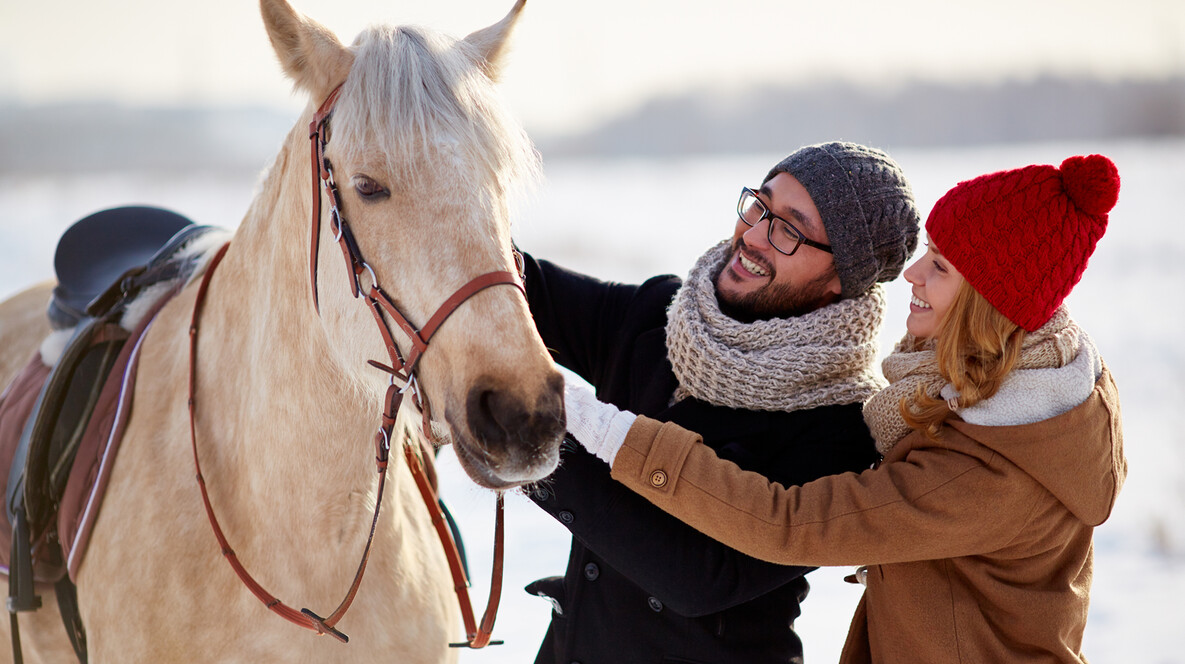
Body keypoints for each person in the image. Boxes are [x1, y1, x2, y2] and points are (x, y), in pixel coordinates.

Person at [562, 154, 1126, 663]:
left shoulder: (983, 473)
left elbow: (788, 524)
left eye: (942, 267)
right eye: (929, 252)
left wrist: (601, 432)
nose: (913, 274)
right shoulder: (984, 400)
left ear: (988, 304)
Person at [518, 141, 920, 664]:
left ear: (840, 280)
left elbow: (698, 577)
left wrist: (524, 441)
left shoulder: (842, 425)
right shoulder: (660, 317)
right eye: (760, 205)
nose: (753, 237)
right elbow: (523, 289)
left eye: (789, 231)